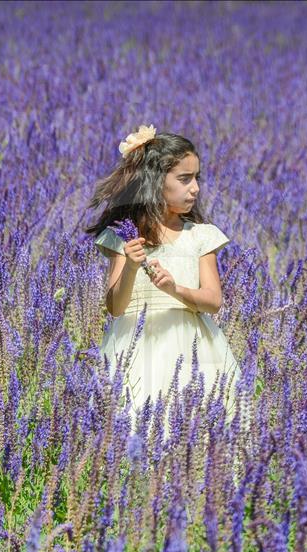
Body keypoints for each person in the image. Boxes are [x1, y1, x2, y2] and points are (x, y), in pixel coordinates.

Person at [86, 126, 239, 425]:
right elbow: (116, 308)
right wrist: (130, 266)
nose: (195, 188)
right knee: (130, 425)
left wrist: (175, 289)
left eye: (197, 178)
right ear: (156, 182)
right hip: (134, 347)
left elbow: (213, 300)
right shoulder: (123, 238)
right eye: (184, 179)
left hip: (195, 349)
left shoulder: (201, 236)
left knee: (198, 429)